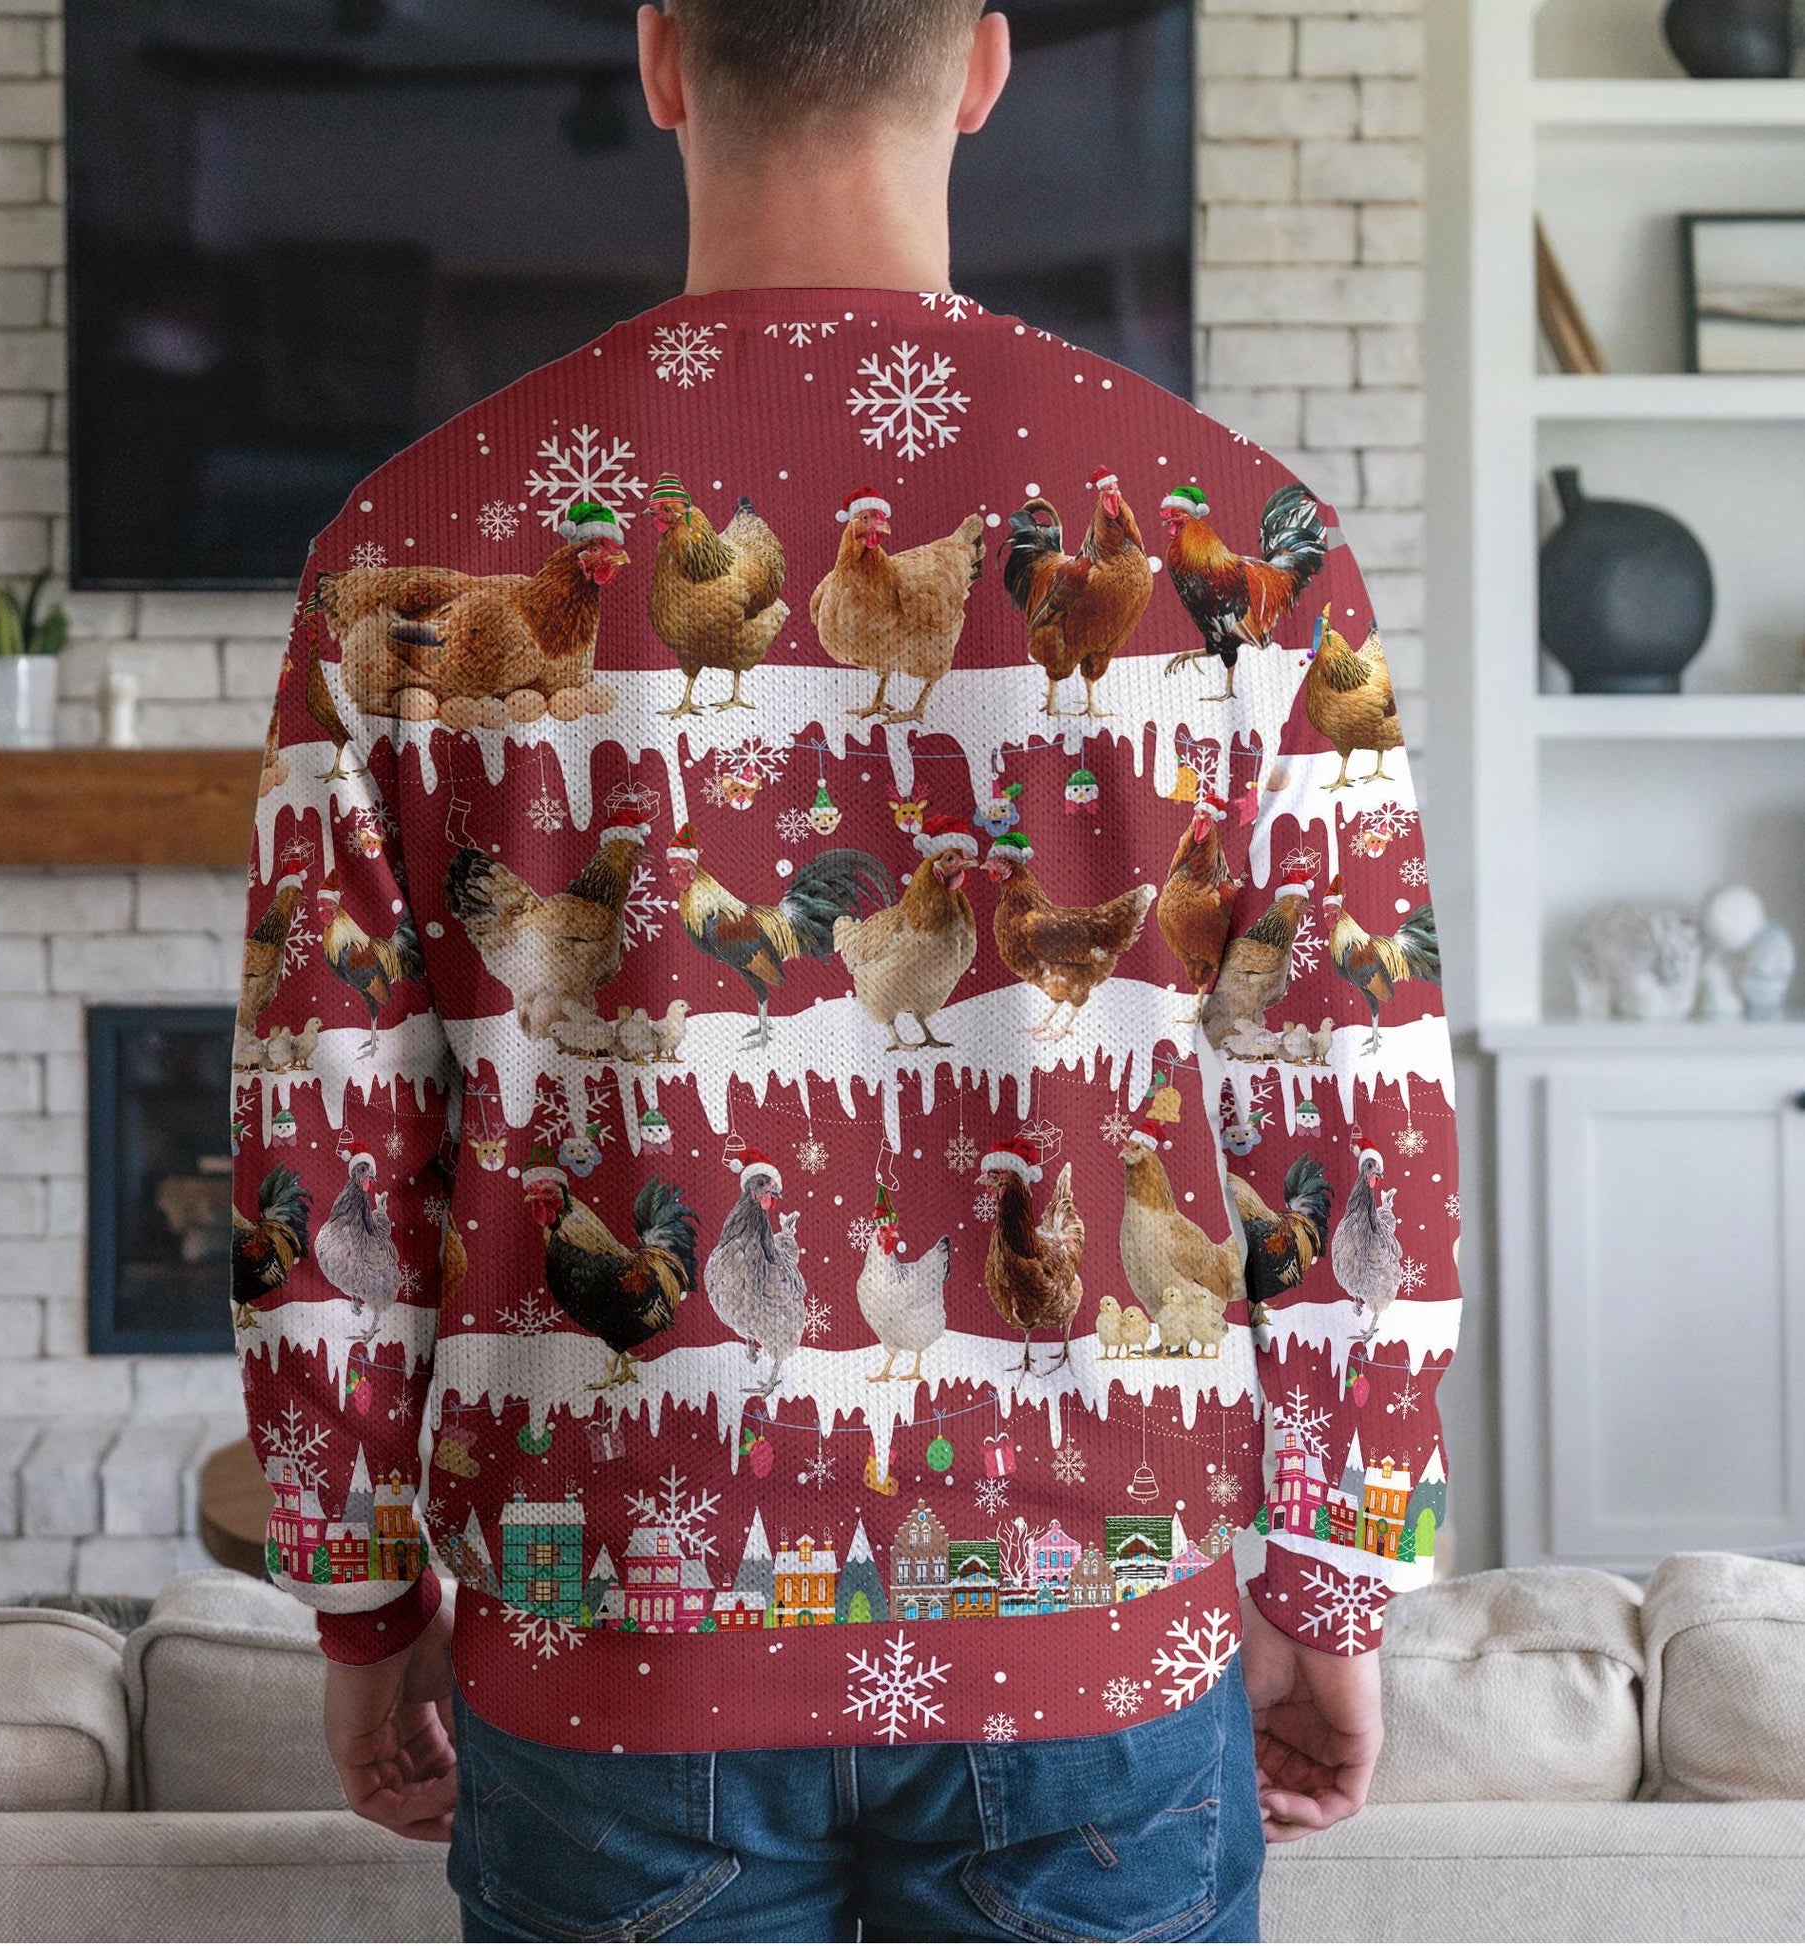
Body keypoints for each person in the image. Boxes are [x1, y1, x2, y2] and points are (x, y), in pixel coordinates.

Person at [229, 4, 1461, 1940]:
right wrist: (1333, 1583)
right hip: (1098, 1639)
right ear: (980, 66)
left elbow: (326, 1127)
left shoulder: (408, 545)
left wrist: (363, 1597)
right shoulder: (1250, 530)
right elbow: (1348, 1098)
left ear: (660, 59)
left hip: (611, 1636)